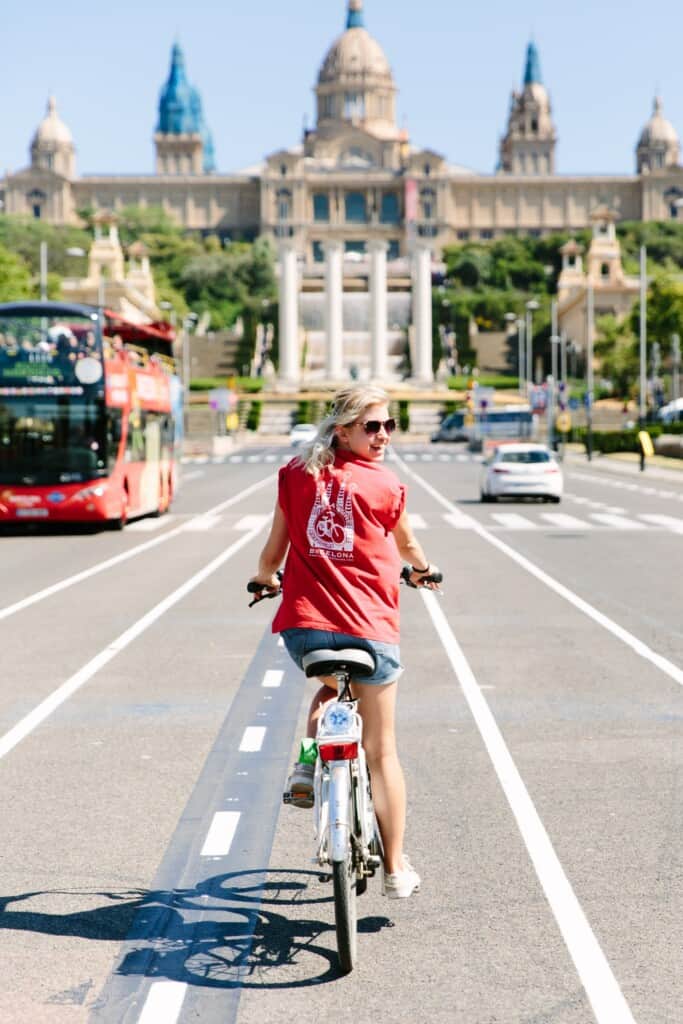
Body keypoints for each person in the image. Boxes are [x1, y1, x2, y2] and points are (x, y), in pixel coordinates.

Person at [249, 384, 441, 899]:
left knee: (331, 690)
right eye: (372, 426)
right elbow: (409, 545)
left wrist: (265, 580)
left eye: (388, 426)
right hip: (371, 630)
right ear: (343, 430)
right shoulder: (384, 485)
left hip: (306, 627)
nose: (383, 436)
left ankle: (309, 764)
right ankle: (397, 867)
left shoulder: (295, 475)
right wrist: (423, 572)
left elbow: (273, 552)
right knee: (382, 752)